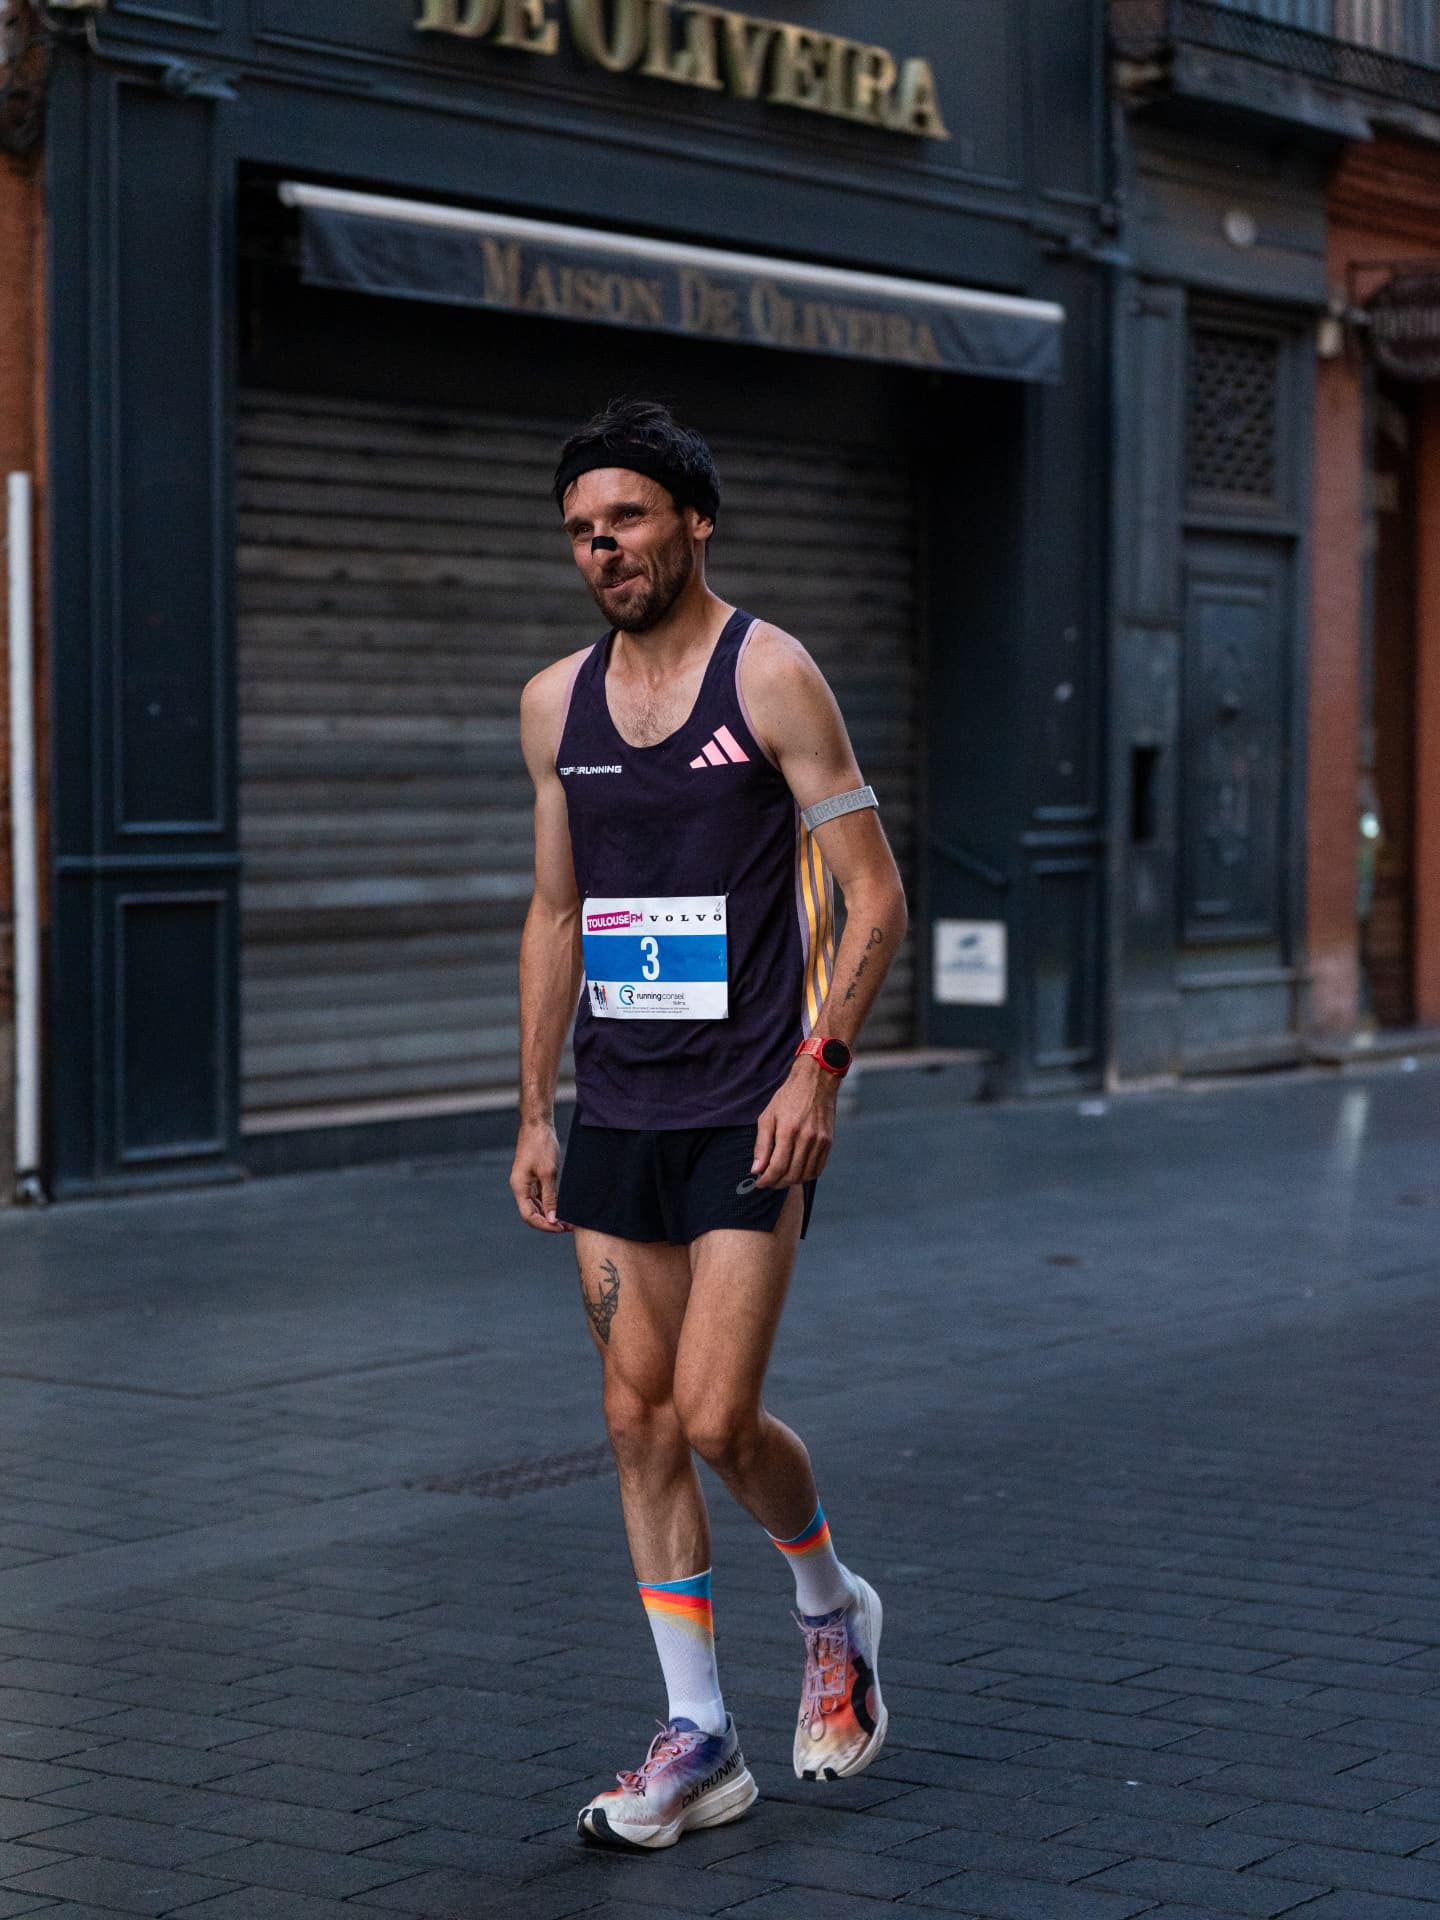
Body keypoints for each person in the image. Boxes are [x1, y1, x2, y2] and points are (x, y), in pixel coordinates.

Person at [509, 398, 908, 1852]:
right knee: (636, 1420)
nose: (601, 546)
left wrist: (820, 1068)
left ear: (694, 520)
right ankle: (703, 1739)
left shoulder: (771, 673)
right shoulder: (554, 704)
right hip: (617, 1107)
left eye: (624, 516)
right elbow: (556, 912)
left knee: (716, 1414)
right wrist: (534, 1110)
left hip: (750, 1104)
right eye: (579, 528)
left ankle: (832, 1607)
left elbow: (876, 893)